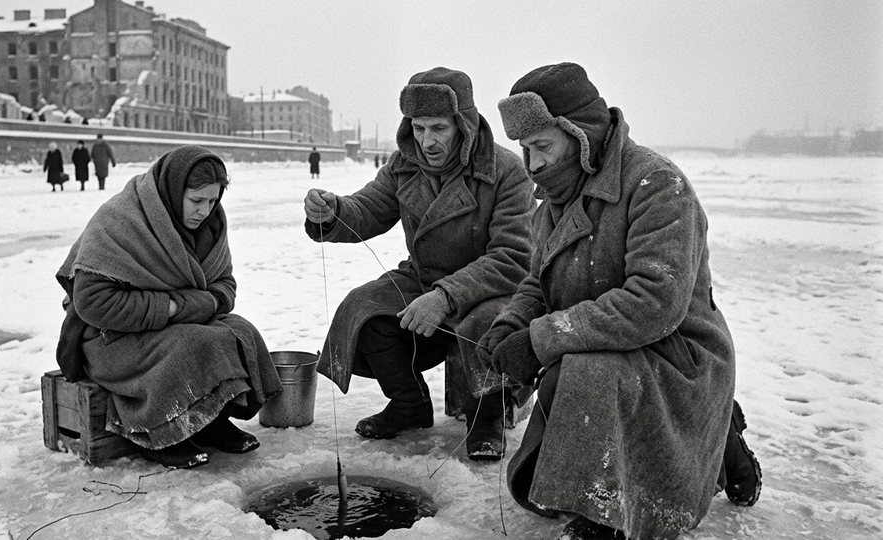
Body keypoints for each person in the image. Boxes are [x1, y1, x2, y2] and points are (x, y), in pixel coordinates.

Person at [483, 62, 762, 539]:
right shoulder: (552, 202)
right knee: (544, 471)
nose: (532, 165)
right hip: (607, 345)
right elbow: (538, 281)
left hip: (678, 355)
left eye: (543, 147)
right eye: (525, 150)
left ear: (582, 135)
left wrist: (542, 338)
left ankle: (607, 514)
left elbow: (655, 301)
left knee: (581, 377)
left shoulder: (657, 185)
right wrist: (511, 325)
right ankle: (717, 437)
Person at [304, 67, 536, 461]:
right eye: (418, 127)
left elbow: (513, 257)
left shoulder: (506, 170)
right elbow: (370, 207)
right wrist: (332, 211)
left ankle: (488, 416)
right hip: (423, 277)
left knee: (489, 323)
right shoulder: (404, 165)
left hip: (489, 287)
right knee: (366, 309)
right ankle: (408, 403)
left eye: (438, 129)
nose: (426, 141)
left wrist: (445, 298)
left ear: (463, 124)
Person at [55, 145, 282, 469]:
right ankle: (157, 432)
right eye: (197, 201)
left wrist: (203, 303)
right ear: (175, 191)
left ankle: (210, 419)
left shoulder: (211, 225)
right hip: (109, 337)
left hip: (180, 321)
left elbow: (224, 284)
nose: (205, 210)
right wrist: (174, 307)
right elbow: (92, 302)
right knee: (193, 344)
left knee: (240, 332)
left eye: (213, 200)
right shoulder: (122, 219)